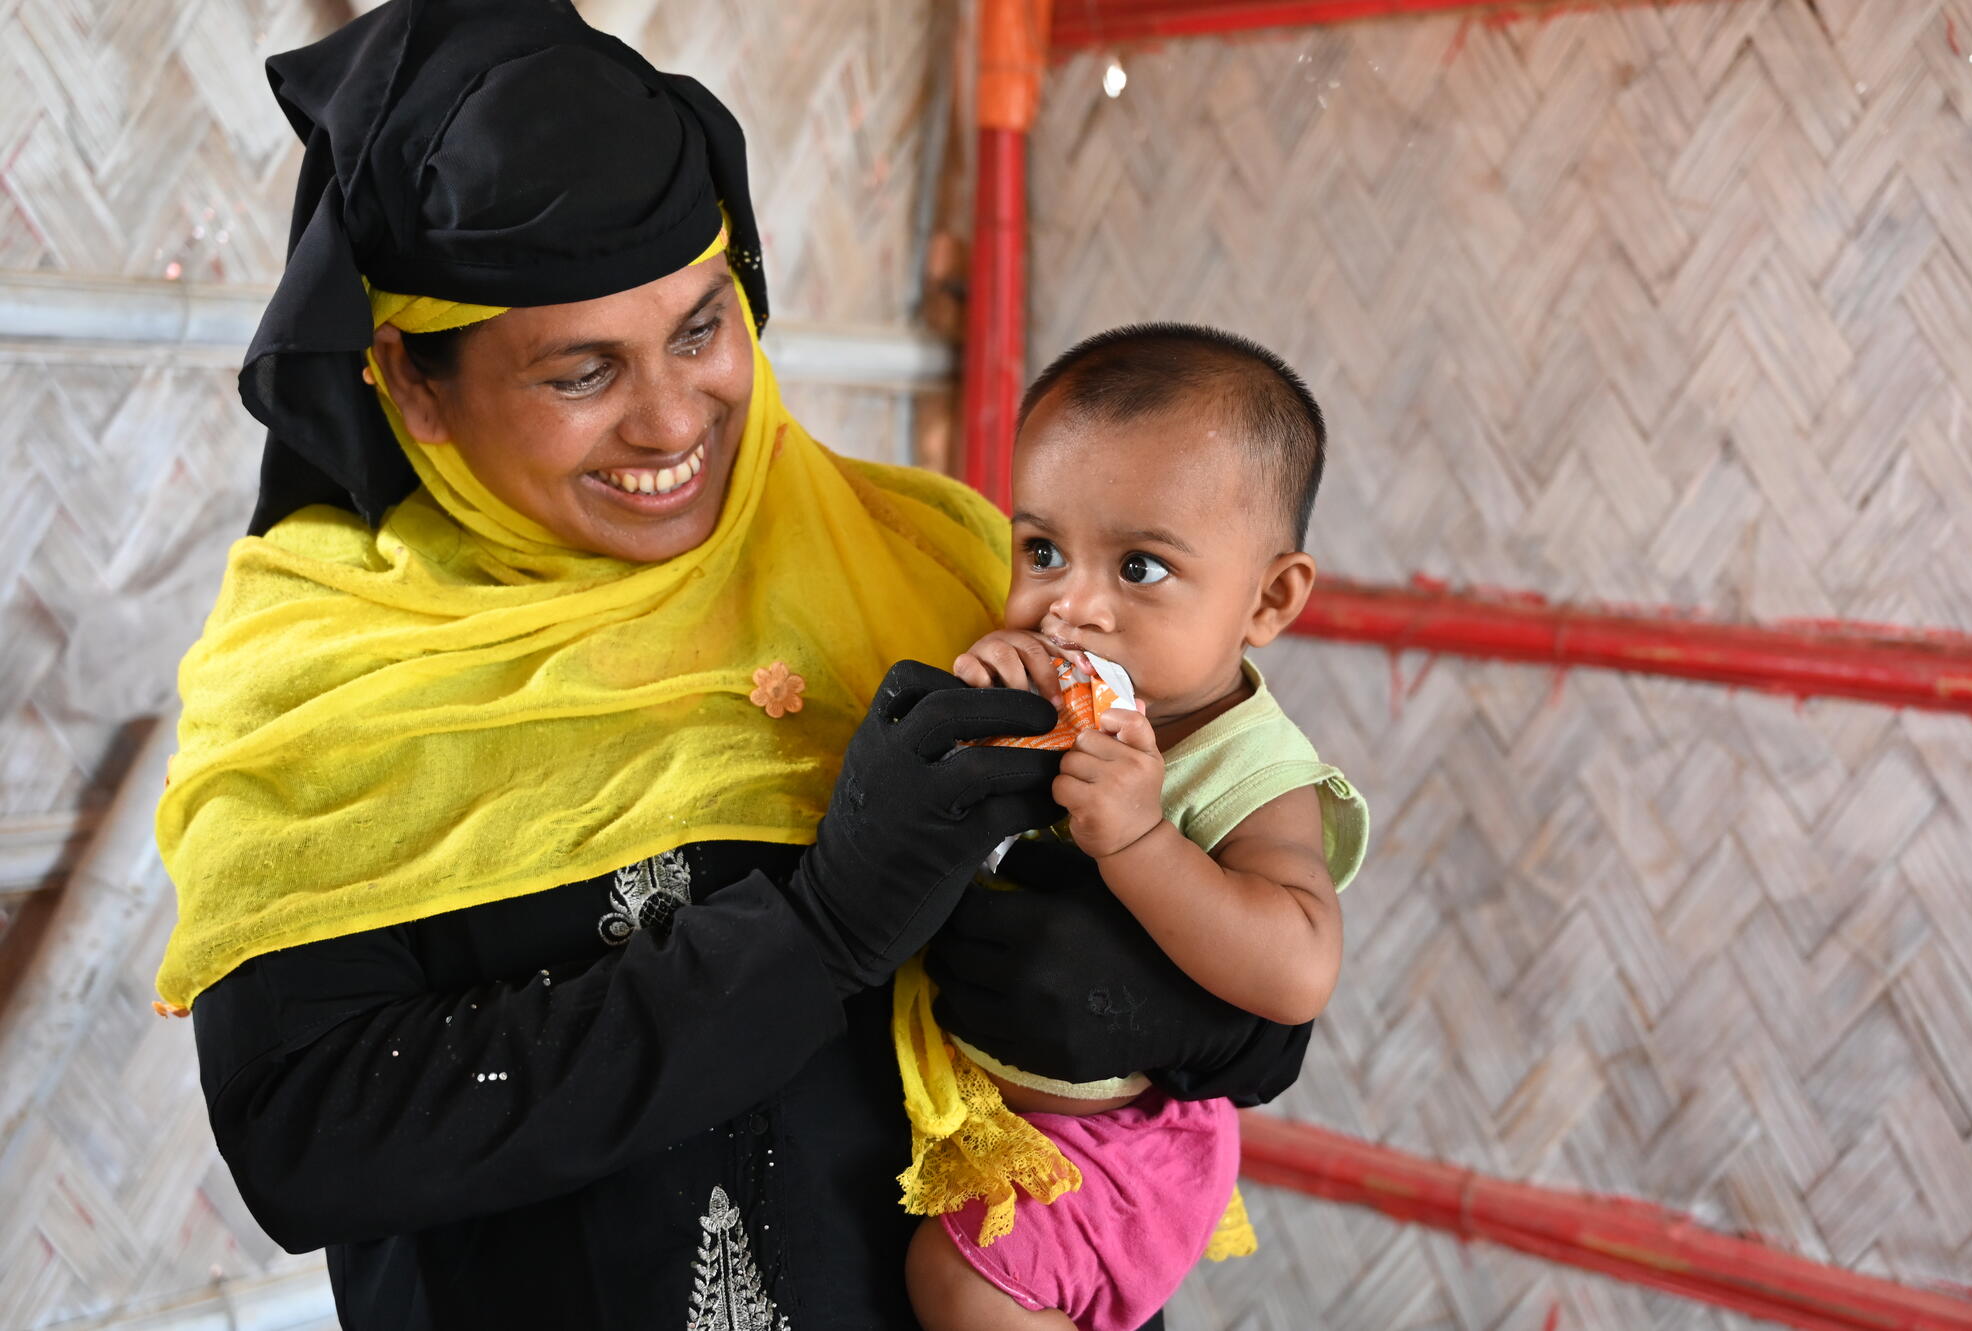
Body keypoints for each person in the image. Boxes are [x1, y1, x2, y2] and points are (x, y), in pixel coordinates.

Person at [152, 5, 1316, 1328]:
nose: (669, 419)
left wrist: (1177, 1009)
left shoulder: (940, 563)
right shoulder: (321, 670)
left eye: (701, 331)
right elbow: (311, 1137)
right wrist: (812, 935)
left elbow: (1257, 907)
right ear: (410, 383)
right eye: (582, 370)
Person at [898, 325, 1370, 1331]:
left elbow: (1296, 967)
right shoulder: (1052, 684)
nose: (1070, 607)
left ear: (1268, 597)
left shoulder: (1248, 767)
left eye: (1140, 567)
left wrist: (1140, 842)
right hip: (980, 1110)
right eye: (1042, 550)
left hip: (1127, 1149)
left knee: (960, 1281)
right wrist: (976, 694)